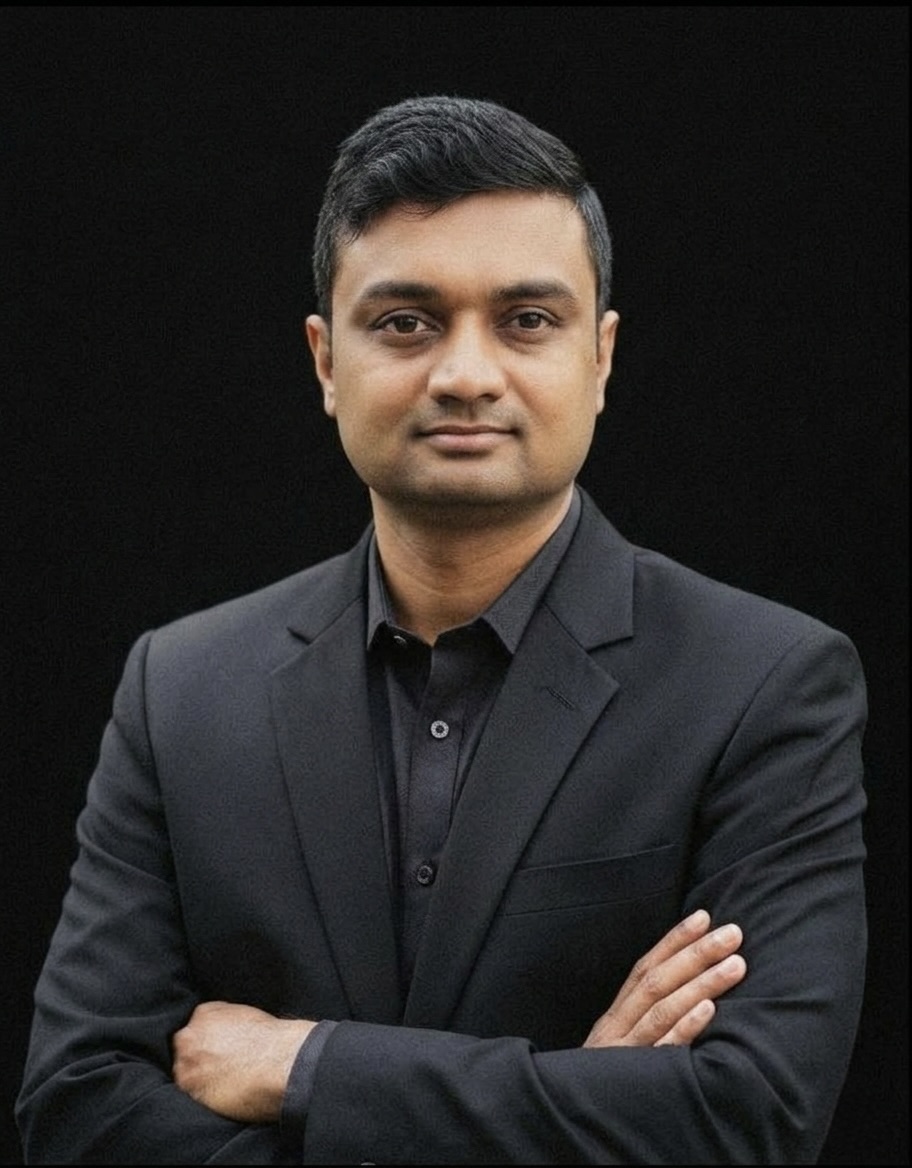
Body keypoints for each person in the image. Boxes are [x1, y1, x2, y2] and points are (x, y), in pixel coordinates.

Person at [16, 94, 868, 1165]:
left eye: (527, 320)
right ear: (327, 361)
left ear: (601, 357)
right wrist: (579, 1101)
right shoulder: (180, 688)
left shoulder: (764, 683)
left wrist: (308, 1067)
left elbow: (750, 1117)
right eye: (406, 323)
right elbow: (77, 1110)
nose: (466, 374)